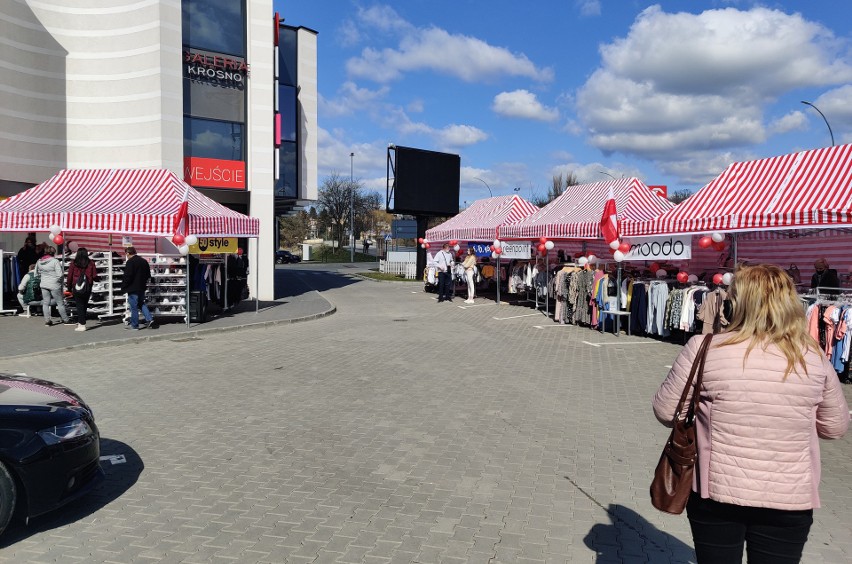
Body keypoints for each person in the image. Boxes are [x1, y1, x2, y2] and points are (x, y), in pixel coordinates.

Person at [653, 264, 849, 564]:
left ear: (736, 303)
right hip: (788, 498)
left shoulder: (703, 347)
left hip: (715, 494)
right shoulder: (812, 357)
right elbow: (834, 428)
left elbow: (666, 411)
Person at [34, 246, 72, 326]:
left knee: (45, 303)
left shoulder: (39, 261)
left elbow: (36, 274)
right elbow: (60, 275)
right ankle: (66, 319)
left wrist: (42, 278)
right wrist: (59, 282)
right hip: (54, 284)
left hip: (44, 284)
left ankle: (47, 321)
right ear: (53, 253)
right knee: (60, 303)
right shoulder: (55, 261)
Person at [121, 246, 155, 330]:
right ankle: (149, 319)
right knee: (141, 303)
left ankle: (134, 325)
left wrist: (123, 286)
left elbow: (128, 276)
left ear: (128, 253)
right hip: (142, 286)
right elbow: (148, 275)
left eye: (126, 254)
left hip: (132, 288)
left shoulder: (130, 262)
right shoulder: (143, 261)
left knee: (134, 307)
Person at [65, 247, 98, 331]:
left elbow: (70, 276)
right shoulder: (91, 263)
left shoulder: (74, 263)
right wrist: (97, 280)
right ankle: (81, 322)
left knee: (79, 305)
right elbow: (94, 275)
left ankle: (82, 324)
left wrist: (68, 287)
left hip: (76, 285)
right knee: (85, 304)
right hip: (88, 285)